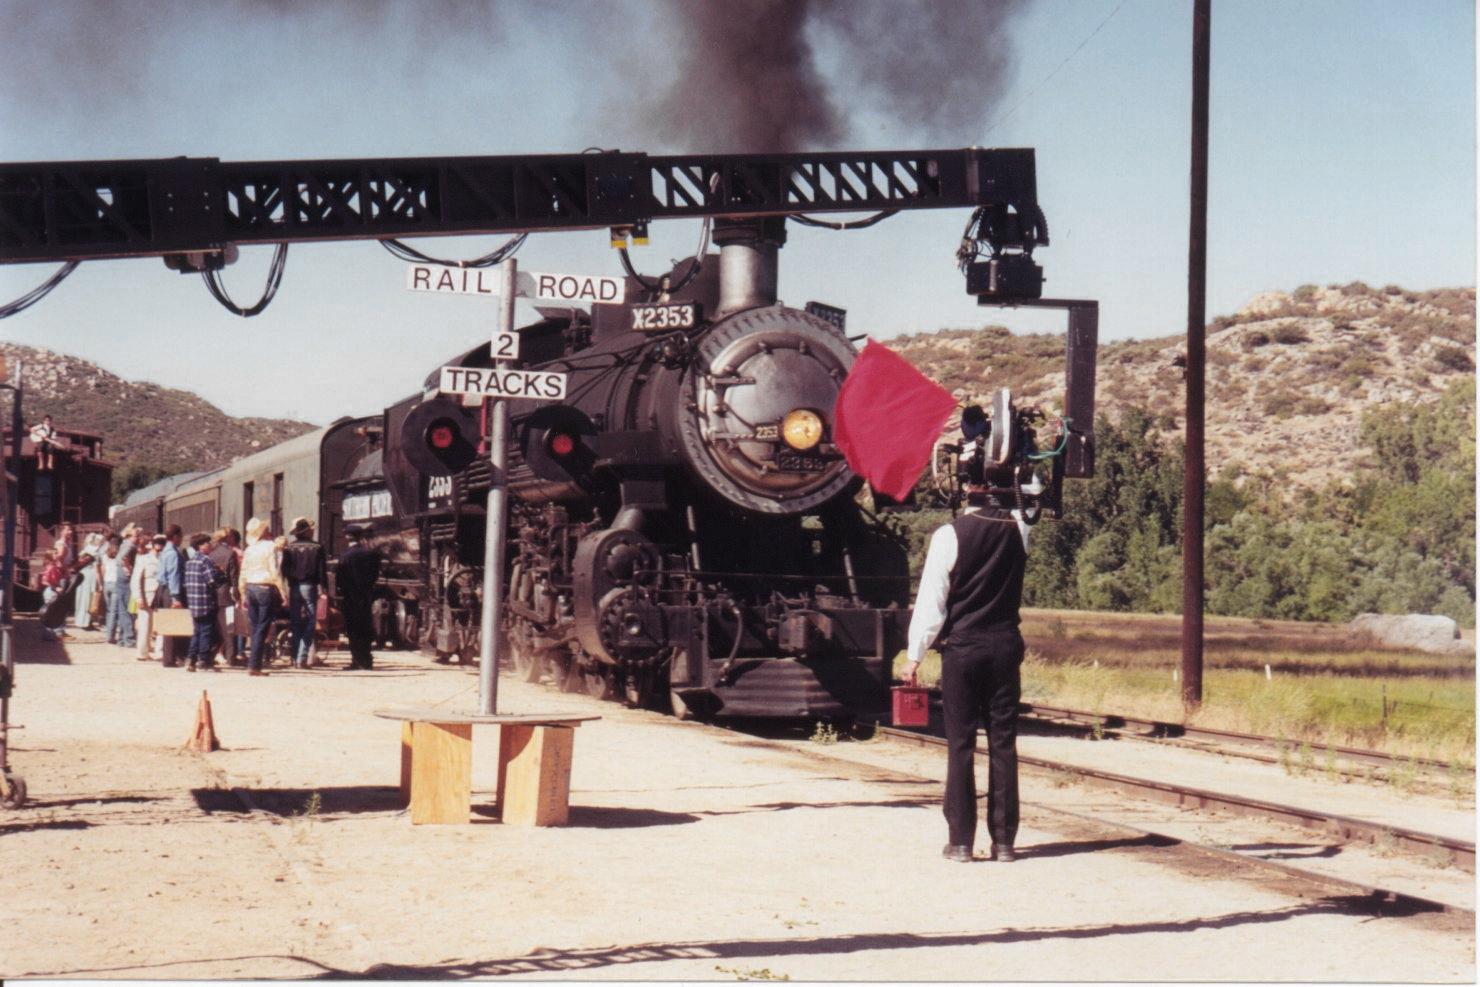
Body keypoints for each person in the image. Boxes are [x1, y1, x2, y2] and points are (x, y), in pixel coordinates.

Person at [903, 458, 1031, 864]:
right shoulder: (1021, 530)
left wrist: (914, 655)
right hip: (1006, 646)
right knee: (1003, 744)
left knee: (960, 745)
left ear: (966, 490)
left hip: (963, 649)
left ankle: (960, 841)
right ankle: (1005, 842)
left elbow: (932, 603)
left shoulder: (948, 535)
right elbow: (1029, 499)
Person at [238, 517, 286, 677]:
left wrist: (243, 592)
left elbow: (243, 573)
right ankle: (254, 665)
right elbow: (275, 571)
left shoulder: (249, 549)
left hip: (251, 588)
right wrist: (283, 592)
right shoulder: (271, 547)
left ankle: (253, 662)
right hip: (265, 588)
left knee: (254, 626)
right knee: (262, 627)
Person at [281, 516, 327, 670]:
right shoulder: (317, 547)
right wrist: (324, 590)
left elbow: (284, 569)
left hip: (294, 587)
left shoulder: (289, 548)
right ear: (307, 531)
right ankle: (301, 657)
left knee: (295, 622)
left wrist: (289, 583)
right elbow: (322, 571)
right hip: (309, 586)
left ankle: (294, 657)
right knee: (310, 622)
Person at [335, 524, 382, 670]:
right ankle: (367, 660)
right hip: (366, 594)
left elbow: (340, 578)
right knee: (365, 626)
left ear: (348, 536)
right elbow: (376, 574)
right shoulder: (372, 554)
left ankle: (357, 660)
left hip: (350, 595)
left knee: (353, 629)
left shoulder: (345, 555)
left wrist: (341, 591)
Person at [183, 532, 227, 672]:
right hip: (205, 601)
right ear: (200, 546)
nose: (210, 545)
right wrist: (220, 573)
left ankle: (190, 660)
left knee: (197, 631)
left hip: (193, 602)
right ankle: (204, 661)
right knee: (206, 631)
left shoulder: (190, 562)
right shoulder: (205, 561)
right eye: (207, 543)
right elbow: (212, 581)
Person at [207, 528, 241, 666]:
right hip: (226, 594)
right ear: (226, 538)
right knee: (229, 626)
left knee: (215, 627)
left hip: (213, 593)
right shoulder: (230, 553)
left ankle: (210, 655)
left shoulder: (211, 554)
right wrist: (237, 594)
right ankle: (230, 657)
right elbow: (234, 576)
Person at [156, 524, 187, 667]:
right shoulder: (173, 553)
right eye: (180, 536)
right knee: (172, 625)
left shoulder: (164, 552)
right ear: (175, 536)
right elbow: (174, 576)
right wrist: (176, 597)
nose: (181, 539)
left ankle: (169, 658)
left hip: (164, 589)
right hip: (171, 590)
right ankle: (170, 659)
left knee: (168, 625)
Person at [132, 534, 163, 661]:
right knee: (145, 624)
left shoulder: (165, 558)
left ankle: (160, 651)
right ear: (153, 544)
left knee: (162, 623)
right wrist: (138, 597)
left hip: (161, 595)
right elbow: (135, 579)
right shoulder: (143, 559)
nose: (160, 546)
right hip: (147, 595)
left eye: (162, 543)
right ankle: (142, 652)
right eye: (158, 543)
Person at [109, 524, 138, 649]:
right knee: (127, 609)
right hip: (125, 578)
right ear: (130, 536)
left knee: (122, 608)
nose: (138, 538)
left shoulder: (123, 544)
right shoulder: (130, 545)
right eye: (136, 535)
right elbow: (121, 558)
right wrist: (129, 569)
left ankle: (122, 638)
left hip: (119, 577)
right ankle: (129, 639)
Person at [73, 529, 104, 631]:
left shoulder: (85, 550)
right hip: (90, 577)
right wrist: (100, 583)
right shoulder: (96, 553)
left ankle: (80, 620)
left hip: (82, 576)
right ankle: (87, 622)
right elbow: (97, 570)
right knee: (89, 599)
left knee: (81, 598)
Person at [100, 536, 124, 645]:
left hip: (107, 584)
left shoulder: (105, 556)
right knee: (114, 612)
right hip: (115, 584)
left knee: (109, 611)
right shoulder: (119, 556)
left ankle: (108, 634)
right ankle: (110, 637)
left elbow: (103, 570)